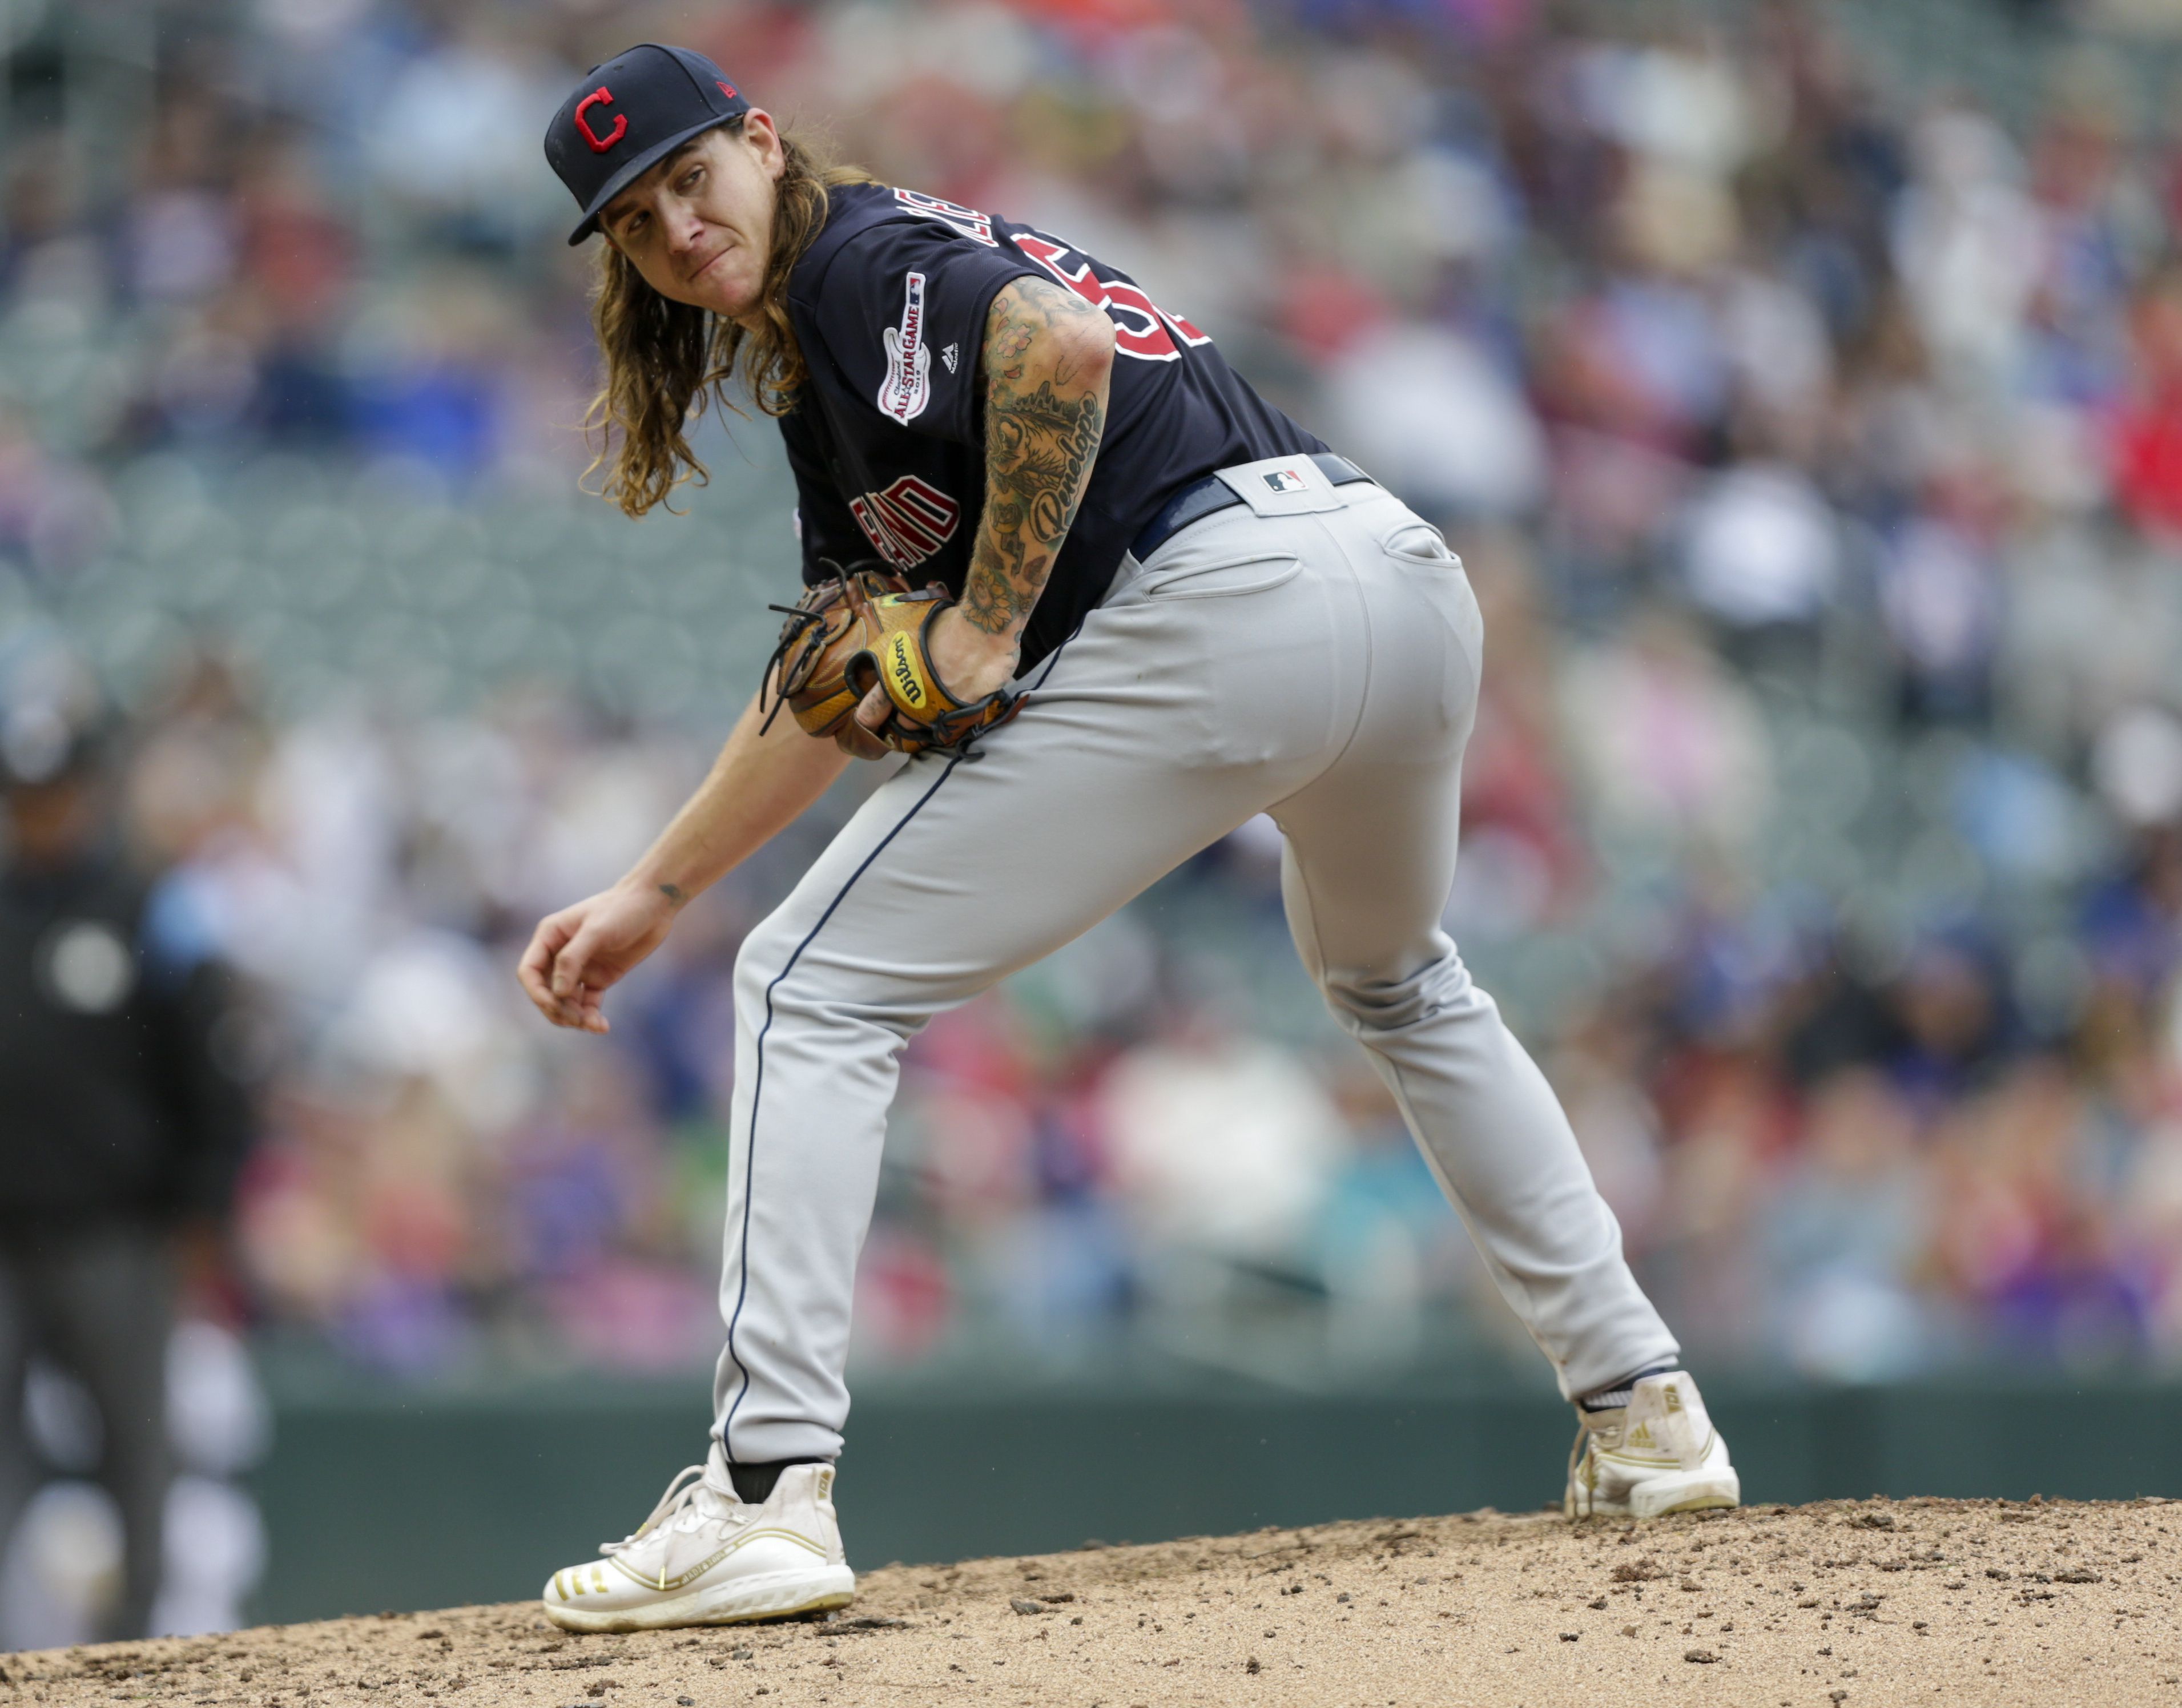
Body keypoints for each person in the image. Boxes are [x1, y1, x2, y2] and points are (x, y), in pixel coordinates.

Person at [522, 43, 1739, 1633]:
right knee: (1393, 978)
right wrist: (651, 885)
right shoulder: (840, 341)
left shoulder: (853, 256)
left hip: (1224, 607)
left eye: (691, 178)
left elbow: (1058, 345)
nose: (678, 227)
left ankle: (761, 1494)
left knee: (807, 991)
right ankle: (1644, 1412)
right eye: (634, 220)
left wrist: (987, 628)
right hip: (1384, 578)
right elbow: (834, 665)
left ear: (761, 143)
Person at [0, 682, 253, 1639]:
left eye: (56, 793)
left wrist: (205, 1212)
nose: (41, 815)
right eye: (22, 797)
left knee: (134, 1455)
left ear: (92, 790)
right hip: (2, 1234)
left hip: (120, 1231)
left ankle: (137, 1656)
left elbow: (215, 1073)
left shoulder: (155, 908)